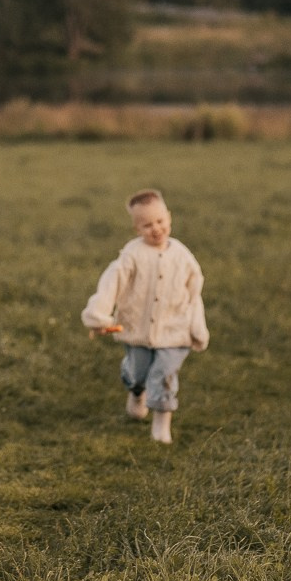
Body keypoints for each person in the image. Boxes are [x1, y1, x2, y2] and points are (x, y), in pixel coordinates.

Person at [82, 188, 208, 444]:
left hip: (175, 330)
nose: (156, 228)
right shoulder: (132, 254)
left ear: (169, 217)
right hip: (137, 329)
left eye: (160, 221)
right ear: (136, 228)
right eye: (147, 224)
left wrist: (197, 327)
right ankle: (136, 390)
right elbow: (111, 284)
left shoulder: (183, 256)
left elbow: (194, 293)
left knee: (163, 373)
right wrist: (99, 314)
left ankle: (162, 422)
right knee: (139, 371)